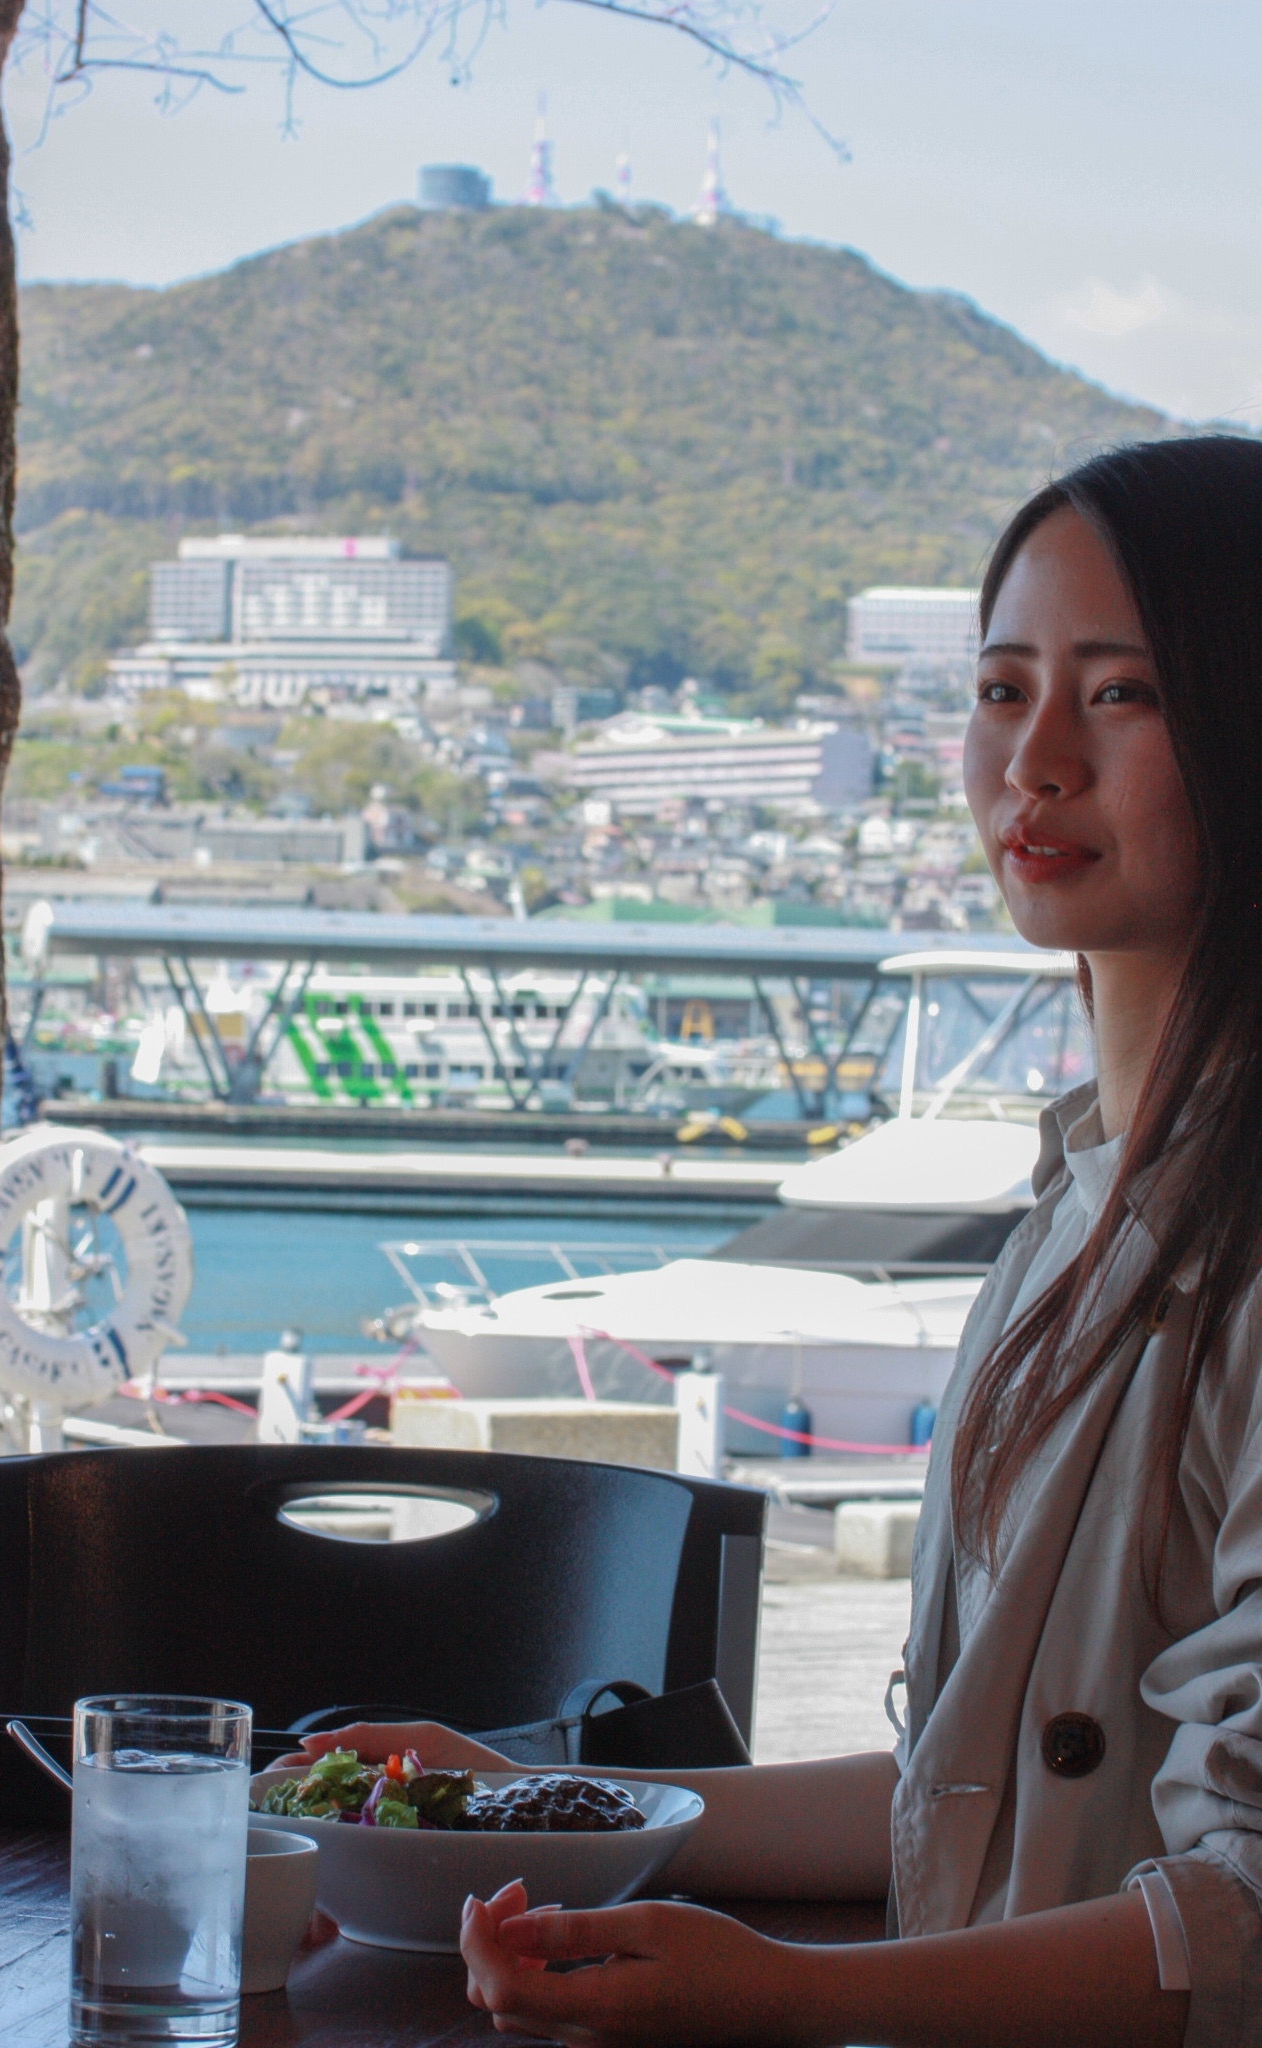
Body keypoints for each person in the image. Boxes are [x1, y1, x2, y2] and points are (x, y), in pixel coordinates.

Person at [295, 437, 1262, 2045]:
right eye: (1000, 688)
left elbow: (1243, 1911)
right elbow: (964, 1791)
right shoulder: (1074, 1208)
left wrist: (793, 1998)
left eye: (1120, 694)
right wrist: (523, 1797)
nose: (1033, 761)